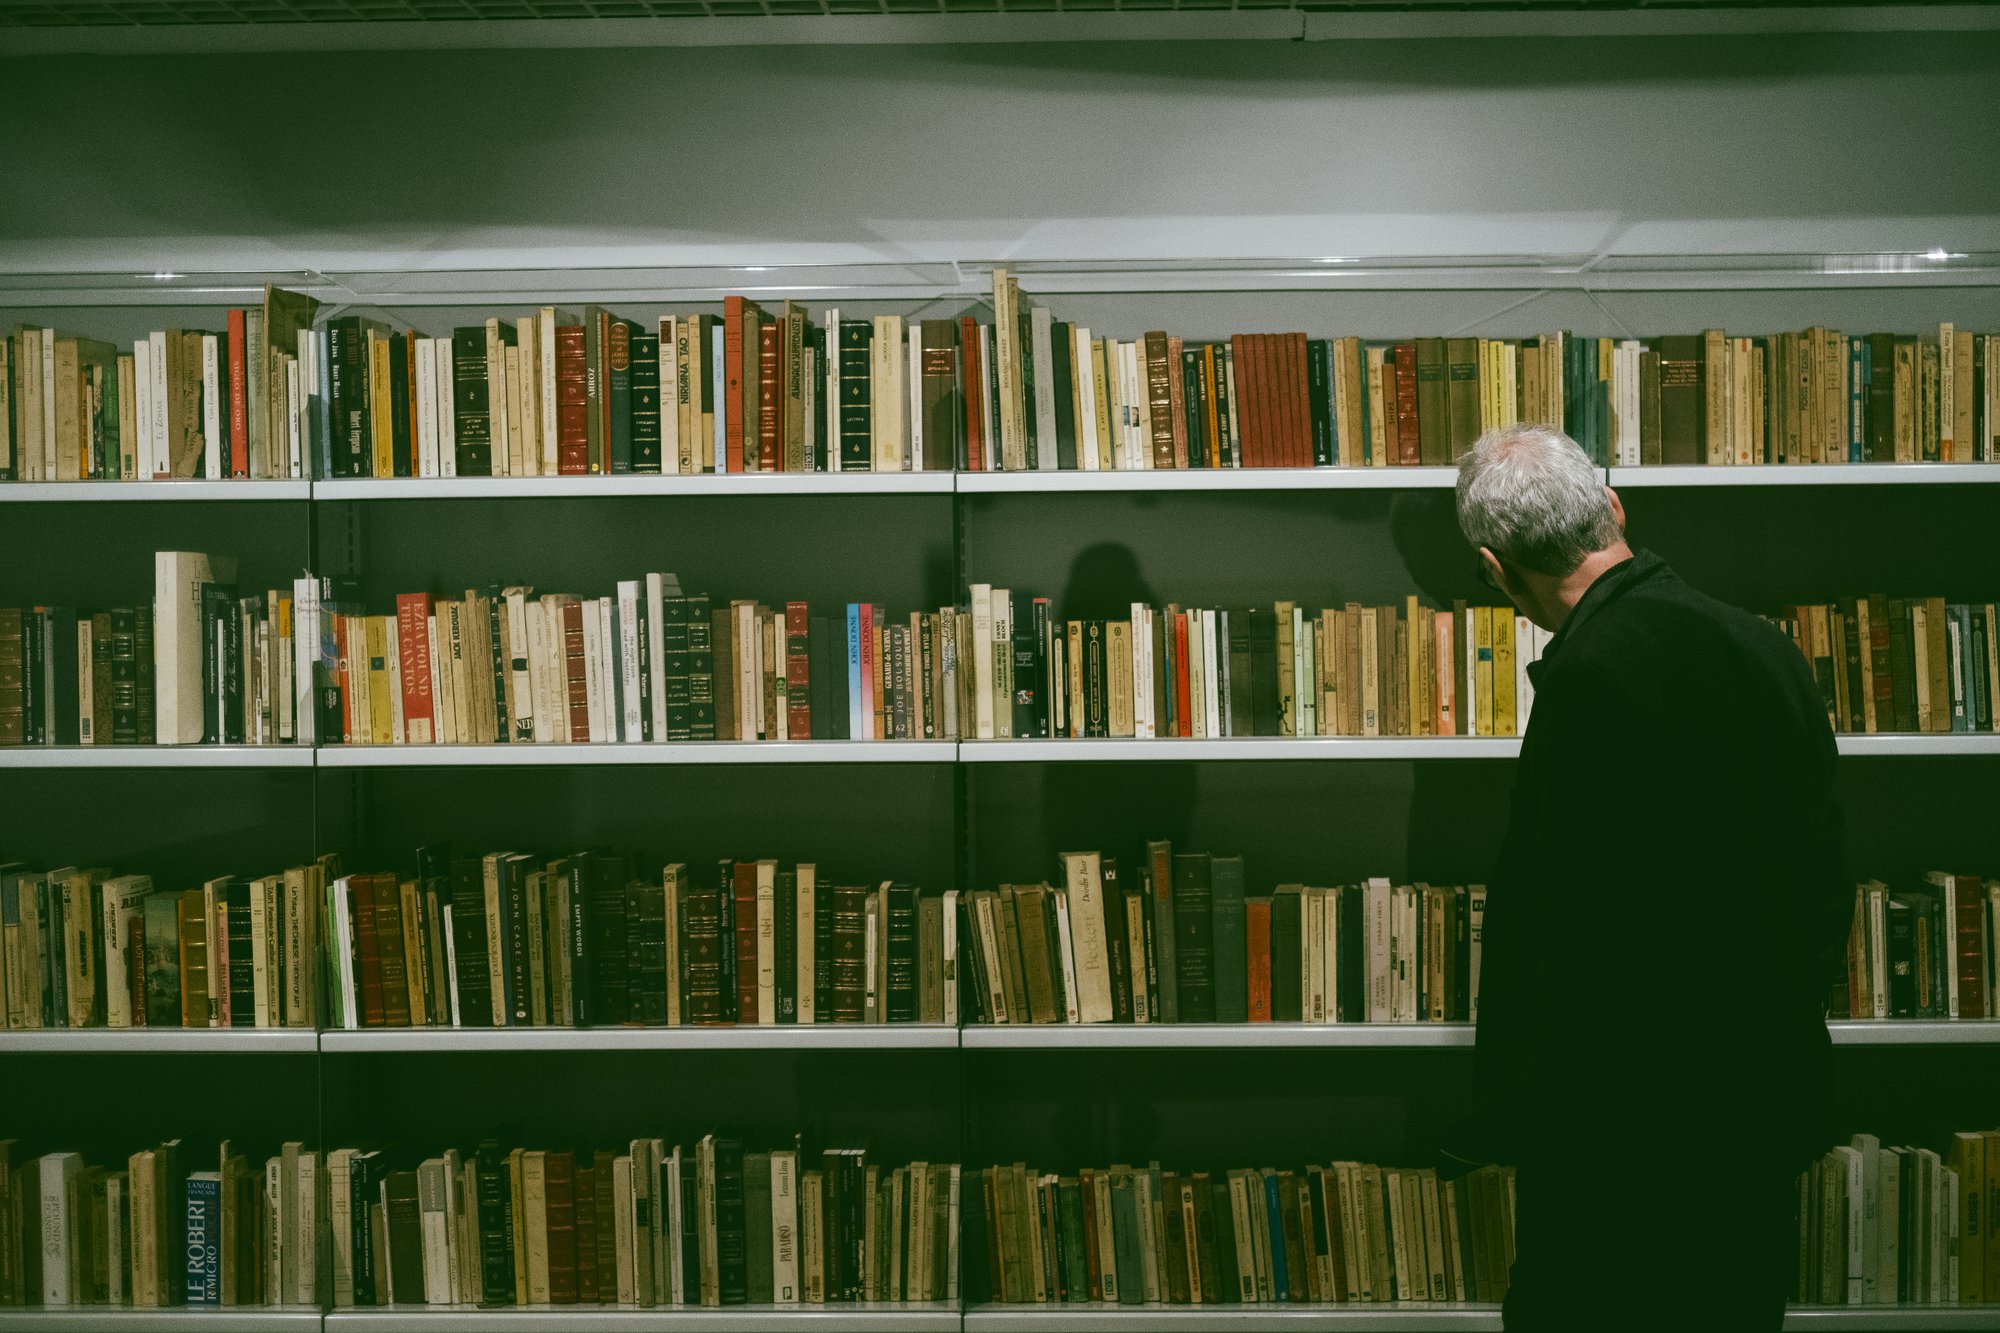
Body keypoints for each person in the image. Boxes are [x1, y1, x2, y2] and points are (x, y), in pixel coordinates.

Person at [1445, 423, 1849, 1332]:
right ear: (1614, 509)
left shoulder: (1589, 677)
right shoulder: (1767, 648)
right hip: (1755, 1103)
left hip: (1623, 1134)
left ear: (1495, 567)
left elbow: (1569, 931)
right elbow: (1826, 883)